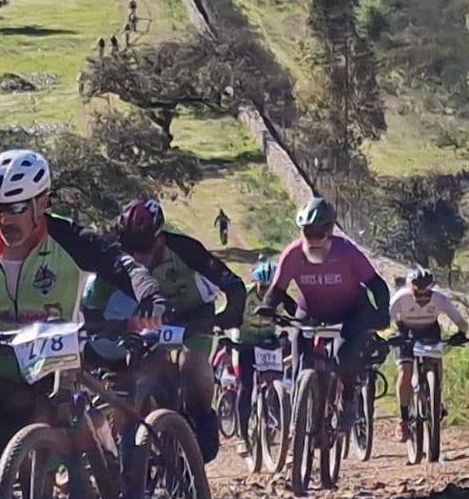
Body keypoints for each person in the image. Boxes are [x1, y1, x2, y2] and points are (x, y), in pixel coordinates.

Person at [0, 150, 165, 488]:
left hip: (55, 365)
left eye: (16, 208)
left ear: (43, 202)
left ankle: (114, 478)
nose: (5, 220)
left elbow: (121, 264)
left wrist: (149, 294)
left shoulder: (68, 239)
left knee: (61, 470)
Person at [78, 198, 245, 462]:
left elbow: (233, 284)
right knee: (138, 374)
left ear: (160, 238)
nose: (137, 256)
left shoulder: (185, 249)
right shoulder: (118, 259)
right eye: (129, 248)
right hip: (145, 324)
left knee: (195, 371)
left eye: (143, 247)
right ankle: (139, 447)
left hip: (192, 320)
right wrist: (102, 326)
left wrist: (229, 315)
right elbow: (90, 304)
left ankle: (201, 421)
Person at [257, 196, 389, 404]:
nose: (314, 239)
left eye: (319, 233)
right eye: (308, 232)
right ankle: (301, 409)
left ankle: (348, 402)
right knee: (299, 351)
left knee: (343, 355)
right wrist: (267, 307)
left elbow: (377, 285)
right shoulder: (292, 254)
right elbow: (277, 290)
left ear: (330, 231)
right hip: (311, 311)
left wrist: (382, 312)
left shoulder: (346, 252)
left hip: (351, 311)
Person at [388, 267, 469, 449]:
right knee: (405, 372)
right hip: (405, 332)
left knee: (435, 359)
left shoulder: (440, 299)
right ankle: (403, 420)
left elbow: (460, 321)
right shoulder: (400, 298)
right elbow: (385, 320)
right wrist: (388, 335)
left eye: (427, 293)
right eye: (418, 292)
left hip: (429, 331)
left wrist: (461, 333)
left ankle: (435, 397)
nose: (422, 297)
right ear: (410, 288)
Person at [230, 258, 291, 457]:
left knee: (276, 380)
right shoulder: (244, 295)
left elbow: (293, 314)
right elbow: (227, 314)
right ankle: (242, 436)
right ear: (255, 281)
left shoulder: (278, 297)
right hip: (245, 342)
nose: (265, 291)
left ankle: (278, 416)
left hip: (267, 340)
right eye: (262, 286)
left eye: (270, 287)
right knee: (245, 387)